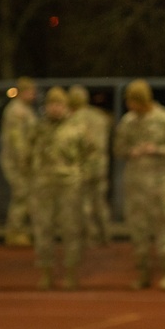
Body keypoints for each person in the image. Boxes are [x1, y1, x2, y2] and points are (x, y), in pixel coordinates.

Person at [113, 79, 165, 290]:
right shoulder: (128, 122)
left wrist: (159, 149)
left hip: (159, 183)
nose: (130, 105)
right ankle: (143, 272)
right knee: (138, 229)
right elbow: (118, 148)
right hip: (135, 184)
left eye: (134, 101)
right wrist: (131, 151)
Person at [30, 86, 94, 290]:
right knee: (43, 230)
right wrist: (31, 175)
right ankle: (46, 273)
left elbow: (91, 154)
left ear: (66, 106)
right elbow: (26, 153)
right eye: (51, 104)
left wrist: (82, 176)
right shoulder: (38, 128)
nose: (55, 108)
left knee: (71, 229)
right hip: (43, 185)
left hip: (69, 185)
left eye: (59, 104)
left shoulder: (77, 128)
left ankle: (70, 273)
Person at [67, 85, 113, 247]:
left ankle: (91, 237)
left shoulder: (73, 118)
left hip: (83, 166)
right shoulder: (100, 116)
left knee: (84, 203)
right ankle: (106, 235)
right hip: (101, 165)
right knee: (100, 202)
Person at [0, 76, 37, 247]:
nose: (33, 95)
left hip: (20, 161)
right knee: (21, 195)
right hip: (16, 162)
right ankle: (15, 232)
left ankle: (20, 230)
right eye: (31, 91)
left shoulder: (24, 110)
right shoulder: (17, 111)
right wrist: (23, 160)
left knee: (24, 196)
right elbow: (17, 140)